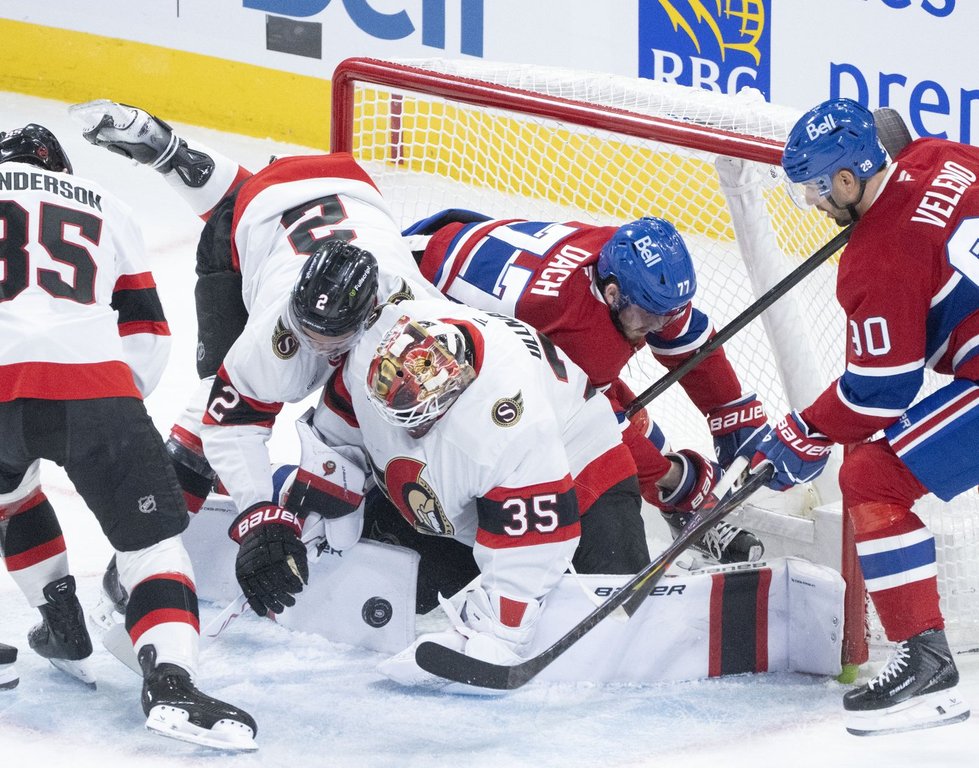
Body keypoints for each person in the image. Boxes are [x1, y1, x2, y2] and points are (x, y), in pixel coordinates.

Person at [71, 100, 447, 617]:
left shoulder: (419, 316)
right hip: (277, 220)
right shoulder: (276, 326)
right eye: (305, 333)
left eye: (329, 341)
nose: (313, 348)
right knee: (210, 402)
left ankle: (172, 153)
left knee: (391, 412)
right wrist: (257, 513)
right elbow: (228, 421)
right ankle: (142, 557)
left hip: (330, 193)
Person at [0, 124, 257, 750]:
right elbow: (147, 335)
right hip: (98, 390)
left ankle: (61, 622)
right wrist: (113, 411)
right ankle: (172, 681)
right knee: (153, 545)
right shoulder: (104, 203)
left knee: (11, 496)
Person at [754, 96, 978, 735]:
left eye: (817, 192)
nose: (816, 206)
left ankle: (927, 663)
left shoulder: (878, 257)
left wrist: (805, 429)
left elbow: (879, 394)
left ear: (849, 180)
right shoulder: (942, 157)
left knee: (872, 475)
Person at [308, 296, 680, 676]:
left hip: (583, 469)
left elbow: (542, 536)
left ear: (454, 388)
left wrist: (499, 630)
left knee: (616, 623)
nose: (411, 430)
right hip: (475, 498)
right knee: (382, 595)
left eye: (419, 420)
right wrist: (303, 510)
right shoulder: (379, 351)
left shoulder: (502, 423)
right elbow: (337, 432)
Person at [408, 210, 767, 564]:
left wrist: (730, 408)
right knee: (563, 434)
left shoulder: (624, 263)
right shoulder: (578, 329)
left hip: (459, 244)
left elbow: (682, 333)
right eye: (648, 317)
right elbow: (599, 430)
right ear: (612, 295)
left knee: (613, 404)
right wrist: (679, 479)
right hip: (423, 295)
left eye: (666, 313)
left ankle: (675, 505)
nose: (658, 326)